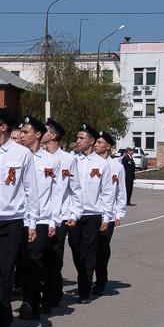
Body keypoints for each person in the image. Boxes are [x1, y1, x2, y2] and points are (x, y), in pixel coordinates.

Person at [0, 107, 39, 327]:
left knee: (4, 272)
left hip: (13, 222)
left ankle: (1, 319)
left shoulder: (21, 154)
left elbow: (30, 189)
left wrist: (32, 222)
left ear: (3, 127)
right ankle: (1, 307)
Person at [15, 117, 62, 319]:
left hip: (42, 219)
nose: (22, 136)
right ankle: (33, 298)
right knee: (23, 261)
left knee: (35, 258)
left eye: (26, 132)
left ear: (37, 135)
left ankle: (30, 300)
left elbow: (57, 193)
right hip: (20, 219)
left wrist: (54, 220)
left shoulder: (51, 161)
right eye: (21, 132)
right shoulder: (17, 157)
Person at [66, 123, 115, 304]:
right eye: (77, 138)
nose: (78, 141)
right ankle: (83, 276)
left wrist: (106, 216)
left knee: (89, 251)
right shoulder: (71, 160)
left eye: (81, 138)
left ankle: (84, 288)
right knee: (76, 249)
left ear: (92, 141)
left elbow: (107, 192)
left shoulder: (102, 164)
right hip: (73, 215)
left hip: (93, 214)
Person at [40, 118, 81, 313]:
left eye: (45, 130)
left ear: (53, 135)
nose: (41, 133)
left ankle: (51, 296)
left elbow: (75, 188)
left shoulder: (68, 159)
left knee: (54, 256)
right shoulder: (36, 157)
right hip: (40, 216)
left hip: (61, 216)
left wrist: (74, 213)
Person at [93, 130, 126, 295]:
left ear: (108, 146)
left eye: (99, 142)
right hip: (91, 212)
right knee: (87, 249)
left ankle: (100, 280)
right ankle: (85, 278)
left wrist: (119, 213)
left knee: (102, 247)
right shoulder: (90, 163)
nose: (96, 145)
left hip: (109, 214)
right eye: (96, 142)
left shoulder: (117, 167)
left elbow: (120, 191)